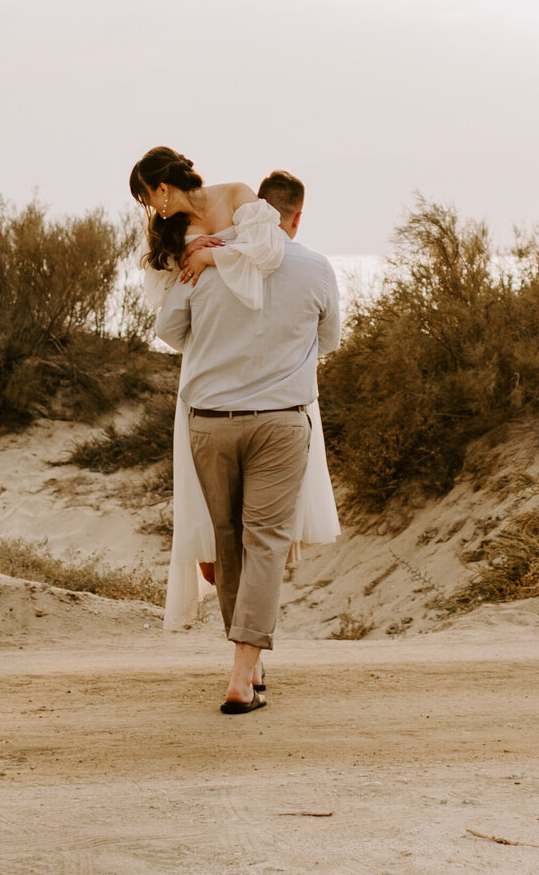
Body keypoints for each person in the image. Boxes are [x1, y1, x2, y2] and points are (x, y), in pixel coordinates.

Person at [128, 148, 340, 693]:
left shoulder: (200, 258)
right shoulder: (315, 268)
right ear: (286, 215)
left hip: (210, 421)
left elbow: (171, 332)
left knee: (228, 543)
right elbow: (329, 343)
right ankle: (244, 673)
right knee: (265, 542)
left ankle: (245, 664)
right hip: (281, 423)